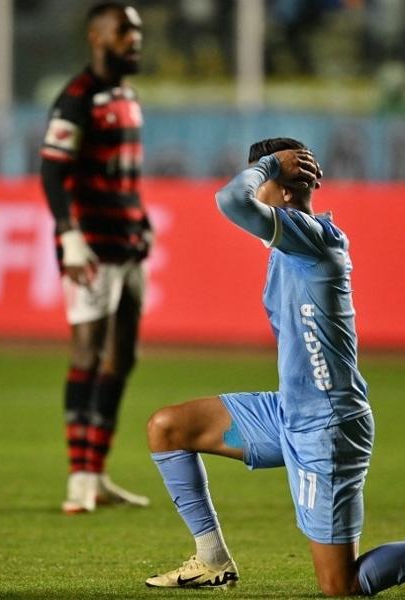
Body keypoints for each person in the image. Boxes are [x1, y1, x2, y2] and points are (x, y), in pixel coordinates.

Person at [145, 138, 405, 594]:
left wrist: (267, 165)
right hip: (288, 415)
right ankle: (211, 560)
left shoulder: (313, 239)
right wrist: (271, 169)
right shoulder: (295, 244)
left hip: (326, 430)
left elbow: (230, 200)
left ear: (282, 190)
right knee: (168, 428)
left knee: (339, 586)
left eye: (263, 181)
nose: (256, 189)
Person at [40, 2, 151, 514]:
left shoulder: (126, 96)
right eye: (125, 29)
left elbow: (124, 175)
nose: (135, 37)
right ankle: (77, 479)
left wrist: (142, 219)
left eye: (138, 29)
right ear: (97, 36)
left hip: (130, 246)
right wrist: (68, 234)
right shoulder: (76, 99)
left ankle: (97, 474)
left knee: (122, 357)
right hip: (93, 249)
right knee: (86, 354)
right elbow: (52, 171)